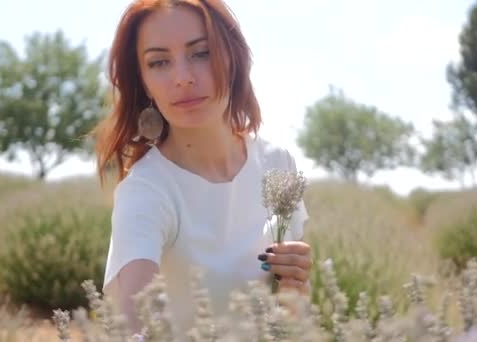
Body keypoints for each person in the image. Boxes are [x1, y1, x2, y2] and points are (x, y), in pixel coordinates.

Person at [92, 0, 312, 335]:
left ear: (233, 59)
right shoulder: (146, 191)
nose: (182, 78)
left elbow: (291, 317)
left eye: (201, 53)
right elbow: (133, 327)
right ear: (145, 83)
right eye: (159, 62)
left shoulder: (277, 164)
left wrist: (295, 287)